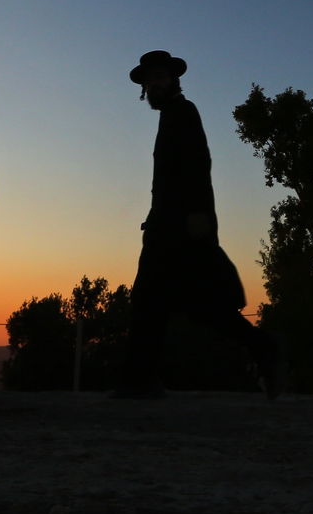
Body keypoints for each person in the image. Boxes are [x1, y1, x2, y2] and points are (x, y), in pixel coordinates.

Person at [114, 50, 284, 399]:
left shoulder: (183, 112)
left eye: (159, 77)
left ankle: (140, 380)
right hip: (167, 224)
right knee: (166, 303)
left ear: (173, 80)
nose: (153, 84)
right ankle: (141, 379)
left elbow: (197, 164)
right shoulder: (172, 115)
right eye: (149, 80)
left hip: (181, 226)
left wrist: (197, 216)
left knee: (168, 302)